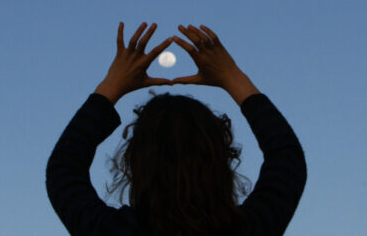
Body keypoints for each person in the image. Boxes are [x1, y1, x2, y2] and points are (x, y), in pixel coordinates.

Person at [46, 22, 308, 236]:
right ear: (221, 159)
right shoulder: (250, 229)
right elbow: (287, 158)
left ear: (134, 162)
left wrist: (110, 87)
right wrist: (233, 77)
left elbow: (64, 169)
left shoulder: (112, 232)